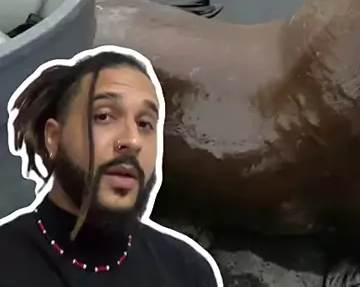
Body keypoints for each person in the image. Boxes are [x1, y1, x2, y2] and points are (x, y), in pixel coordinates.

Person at [0, 45, 223, 287]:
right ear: (54, 137)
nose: (132, 141)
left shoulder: (189, 272)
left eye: (144, 124)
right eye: (104, 116)